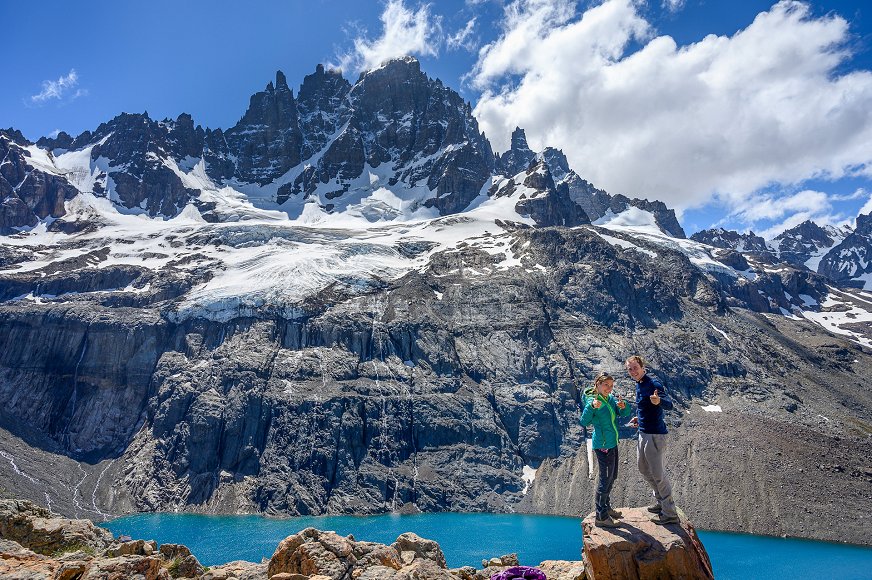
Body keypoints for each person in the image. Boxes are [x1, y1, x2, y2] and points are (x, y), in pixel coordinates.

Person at [625, 355, 680, 525]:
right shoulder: (639, 384)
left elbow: (669, 404)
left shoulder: (653, 384)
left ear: (642, 367)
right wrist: (638, 420)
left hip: (655, 435)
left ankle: (669, 513)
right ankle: (660, 502)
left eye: (635, 367)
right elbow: (644, 408)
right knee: (643, 469)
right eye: (630, 369)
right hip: (643, 432)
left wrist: (658, 401)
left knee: (658, 473)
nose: (633, 371)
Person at [580, 372, 632, 527]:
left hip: (612, 442)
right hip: (603, 445)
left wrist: (624, 407)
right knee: (605, 478)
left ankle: (606, 508)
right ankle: (601, 516)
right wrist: (591, 407)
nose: (609, 388)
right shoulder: (593, 400)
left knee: (612, 476)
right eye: (606, 385)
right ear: (597, 384)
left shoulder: (609, 398)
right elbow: (584, 421)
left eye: (611, 385)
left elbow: (621, 414)